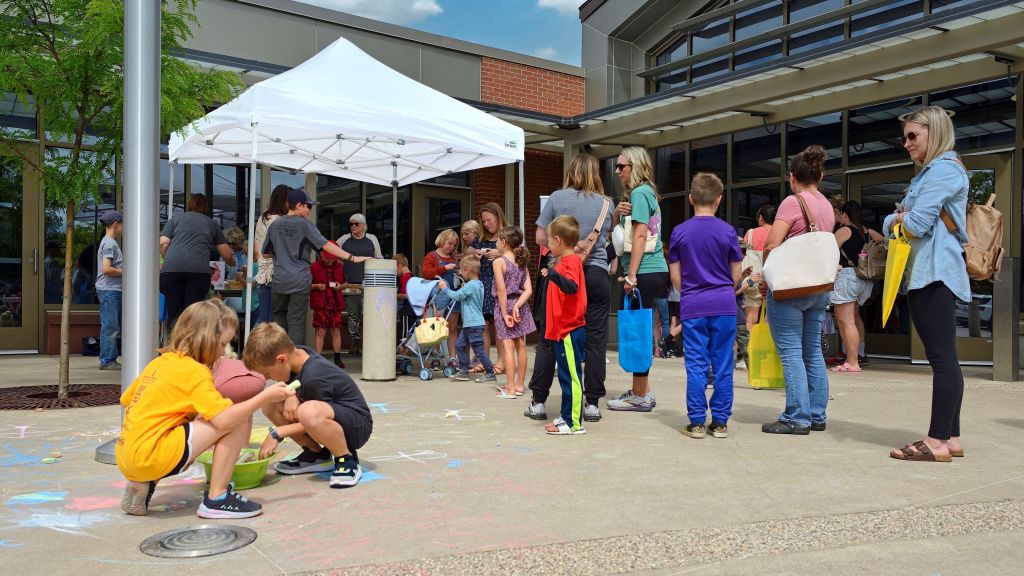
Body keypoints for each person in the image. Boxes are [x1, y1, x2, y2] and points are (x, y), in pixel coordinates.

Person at [116, 300, 294, 518]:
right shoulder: (195, 371)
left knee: (196, 421)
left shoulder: (160, 362)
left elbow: (127, 399)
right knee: (238, 415)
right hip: (153, 456)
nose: (222, 353)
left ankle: (142, 481)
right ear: (205, 340)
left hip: (127, 454)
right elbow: (225, 420)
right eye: (221, 345)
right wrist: (264, 396)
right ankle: (217, 498)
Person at [884, 106, 970, 463]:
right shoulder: (931, 173)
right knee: (945, 359)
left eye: (912, 136)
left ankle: (935, 441)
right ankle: (950, 438)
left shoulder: (943, 171)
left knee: (943, 361)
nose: (906, 143)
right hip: (928, 272)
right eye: (904, 137)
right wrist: (898, 217)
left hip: (934, 273)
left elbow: (915, 224)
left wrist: (898, 217)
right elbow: (902, 218)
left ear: (934, 132)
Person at [526, 153, 613, 423]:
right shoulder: (607, 204)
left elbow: (541, 236)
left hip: (562, 274)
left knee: (551, 337)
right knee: (596, 341)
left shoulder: (557, 198)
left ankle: (539, 401)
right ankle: (592, 403)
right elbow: (608, 240)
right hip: (596, 274)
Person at [759, 145, 836, 435]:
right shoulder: (827, 205)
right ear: (820, 174)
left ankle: (796, 416)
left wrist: (767, 275)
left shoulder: (793, 202)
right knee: (812, 351)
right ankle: (816, 414)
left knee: (791, 352)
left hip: (791, 288)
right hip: (818, 286)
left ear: (792, 177)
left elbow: (772, 243)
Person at [244, 322, 373, 488]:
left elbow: (315, 418)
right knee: (271, 403)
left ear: (282, 359)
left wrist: (278, 433)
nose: (268, 378)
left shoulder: (315, 376)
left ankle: (345, 458)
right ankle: (316, 454)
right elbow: (297, 379)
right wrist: (293, 394)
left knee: (308, 411)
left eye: (267, 373)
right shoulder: (297, 353)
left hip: (356, 427)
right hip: (328, 417)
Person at [668, 173, 743, 439]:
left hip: (693, 303)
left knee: (696, 363)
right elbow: (737, 272)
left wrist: (690, 290)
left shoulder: (679, 232)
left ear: (691, 198)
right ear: (719, 199)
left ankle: (697, 421)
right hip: (723, 303)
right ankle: (720, 422)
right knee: (723, 362)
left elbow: (675, 277)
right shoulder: (728, 231)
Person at [607, 146, 668, 413]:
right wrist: (618, 215)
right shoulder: (644, 194)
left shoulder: (641, 193)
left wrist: (631, 275)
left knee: (637, 331)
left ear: (636, 167)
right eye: (617, 166)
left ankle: (640, 396)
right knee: (639, 328)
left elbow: (640, 236)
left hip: (644, 270)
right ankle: (641, 391)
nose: (617, 171)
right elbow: (627, 236)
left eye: (622, 166)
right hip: (650, 269)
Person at [264, 189, 366, 346]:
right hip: (299, 279)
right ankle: (292, 363)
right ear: (298, 205)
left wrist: (284, 254)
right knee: (296, 321)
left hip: (279, 280)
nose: (310, 210)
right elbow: (326, 246)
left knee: (278, 317)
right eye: (308, 206)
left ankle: (278, 356)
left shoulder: (274, 225)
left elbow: (265, 254)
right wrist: (352, 257)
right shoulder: (305, 225)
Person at [540, 215, 587, 435]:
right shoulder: (566, 262)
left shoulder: (570, 262)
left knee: (571, 377)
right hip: (562, 331)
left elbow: (571, 287)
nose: (547, 244)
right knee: (566, 376)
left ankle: (573, 423)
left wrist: (553, 275)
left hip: (569, 330)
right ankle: (567, 415)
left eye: (549, 240)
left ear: (557, 240)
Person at [159, 194, 236, 326]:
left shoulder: (175, 219)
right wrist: (231, 262)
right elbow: (226, 254)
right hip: (198, 272)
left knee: (174, 314)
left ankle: (175, 343)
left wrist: (169, 259)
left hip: (171, 272)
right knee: (193, 313)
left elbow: (163, 243)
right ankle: (191, 345)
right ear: (206, 207)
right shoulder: (211, 223)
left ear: (190, 205)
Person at [830, 201, 876, 373]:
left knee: (845, 320)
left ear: (844, 214)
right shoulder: (865, 232)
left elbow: (829, 250)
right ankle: (857, 356)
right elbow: (882, 241)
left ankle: (852, 361)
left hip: (847, 277)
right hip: (862, 279)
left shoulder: (845, 230)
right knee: (854, 319)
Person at [492, 225, 536, 398]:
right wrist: (517, 306)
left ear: (503, 242)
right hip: (520, 305)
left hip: (505, 305)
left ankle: (509, 388)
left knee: (508, 346)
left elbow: (502, 291)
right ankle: (519, 385)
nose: (496, 243)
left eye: (497, 240)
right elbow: (528, 290)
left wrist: (505, 313)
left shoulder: (499, 262)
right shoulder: (521, 261)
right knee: (521, 345)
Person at [441, 255, 495, 382]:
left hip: (474, 324)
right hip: (470, 324)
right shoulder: (478, 284)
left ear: (467, 269)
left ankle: (490, 373)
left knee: (479, 351)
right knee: (459, 345)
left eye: (460, 270)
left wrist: (444, 288)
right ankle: (464, 370)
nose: (459, 273)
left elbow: (456, 296)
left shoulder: (471, 286)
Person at [338, 213, 383, 355]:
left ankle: (370, 343)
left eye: (356, 224)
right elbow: (332, 252)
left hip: (369, 284)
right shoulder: (344, 239)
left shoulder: (372, 239)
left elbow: (379, 258)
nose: (353, 226)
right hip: (350, 284)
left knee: (370, 314)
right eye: (351, 224)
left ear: (363, 225)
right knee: (353, 315)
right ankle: (354, 343)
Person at [475, 203, 509, 374]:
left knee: (499, 324)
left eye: (489, 220)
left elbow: (519, 256)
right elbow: (467, 254)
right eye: (484, 221)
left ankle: (502, 362)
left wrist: (500, 253)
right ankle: (485, 361)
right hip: (483, 284)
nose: (486, 224)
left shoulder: (507, 236)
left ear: (498, 216)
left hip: (500, 284)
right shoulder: (481, 238)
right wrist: (475, 254)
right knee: (483, 325)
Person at [421, 229, 461, 359]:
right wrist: (444, 268)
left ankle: (453, 358)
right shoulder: (431, 256)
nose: (452, 247)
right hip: (437, 297)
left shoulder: (455, 258)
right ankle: (435, 357)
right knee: (436, 327)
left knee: (453, 327)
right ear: (442, 240)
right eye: (449, 243)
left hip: (454, 296)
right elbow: (426, 274)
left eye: (454, 245)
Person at [254, 185, 291, 325]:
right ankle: (255, 346)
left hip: (264, 274)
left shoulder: (263, 217)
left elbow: (258, 247)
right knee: (270, 320)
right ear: (282, 201)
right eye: (289, 201)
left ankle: (252, 346)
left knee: (264, 318)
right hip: (275, 273)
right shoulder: (279, 220)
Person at [310, 241, 346, 368]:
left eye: (332, 258)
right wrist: (316, 286)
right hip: (321, 303)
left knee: (336, 331)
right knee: (320, 331)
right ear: (322, 254)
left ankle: (337, 358)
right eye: (328, 258)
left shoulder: (340, 267)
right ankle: (318, 358)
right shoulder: (313, 266)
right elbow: (306, 285)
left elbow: (346, 283)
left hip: (335, 303)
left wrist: (340, 286)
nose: (330, 261)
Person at [96, 211, 124, 371]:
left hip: (112, 290)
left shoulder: (109, 242)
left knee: (112, 325)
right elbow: (107, 269)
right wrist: (127, 271)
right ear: (115, 224)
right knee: (110, 326)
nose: (122, 228)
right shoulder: (109, 244)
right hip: (109, 289)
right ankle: (107, 360)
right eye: (122, 224)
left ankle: (109, 358)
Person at [741, 204, 774, 333]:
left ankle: (749, 348)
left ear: (761, 218)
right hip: (770, 281)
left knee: (750, 319)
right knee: (769, 318)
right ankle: (766, 346)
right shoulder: (778, 234)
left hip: (752, 281)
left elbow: (743, 254)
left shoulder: (751, 233)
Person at [43, 239, 64, 304]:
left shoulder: (45, 261)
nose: (59, 250)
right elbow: (54, 279)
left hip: (48, 292)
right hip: (53, 293)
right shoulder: (52, 262)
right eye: (57, 248)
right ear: (50, 249)